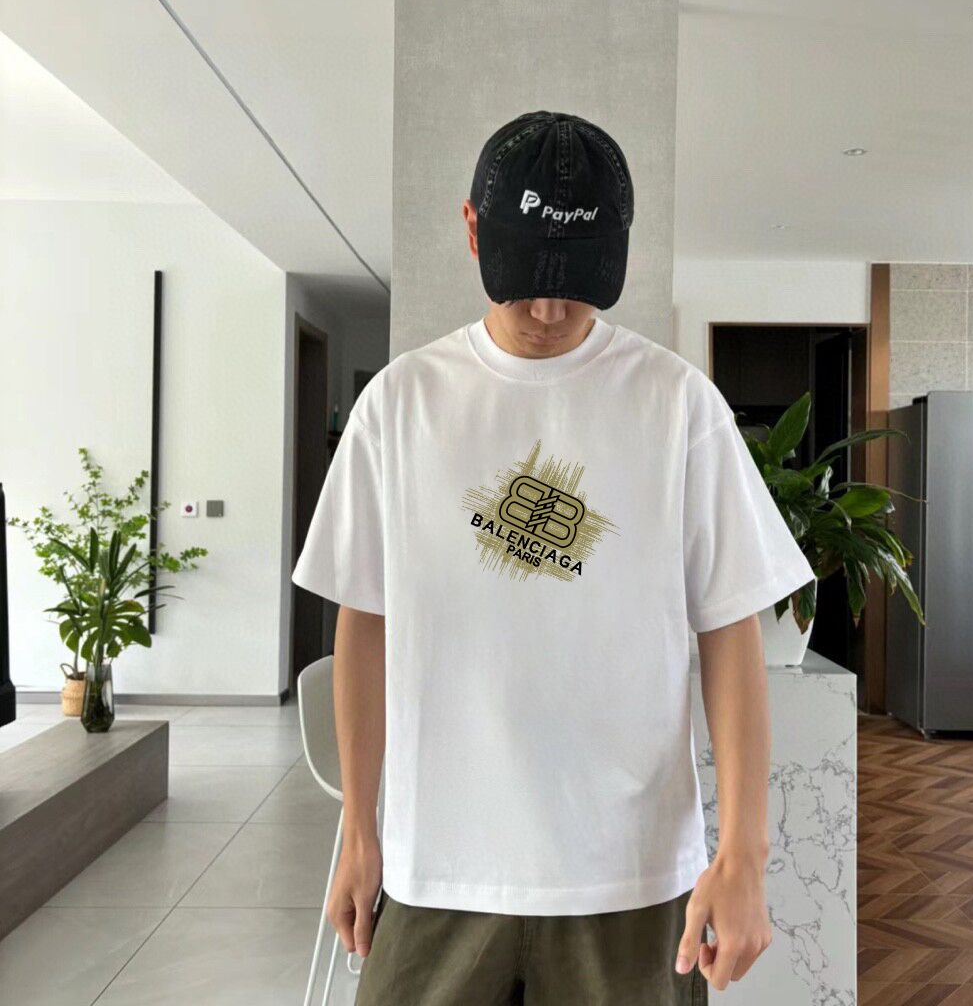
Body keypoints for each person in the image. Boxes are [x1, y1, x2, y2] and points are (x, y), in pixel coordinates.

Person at [291, 110, 816, 1005]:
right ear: (472, 231)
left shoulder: (679, 406)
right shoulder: (400, 406)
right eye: (524, 280)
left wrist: (744, 853)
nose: (547, 310)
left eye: (575, 284)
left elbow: (730, 630)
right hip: (438, 867)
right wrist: (359, 827)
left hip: (631, 878)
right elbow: (364, 625)